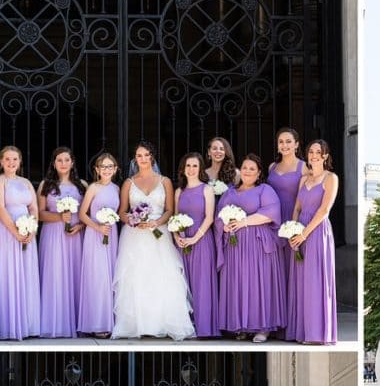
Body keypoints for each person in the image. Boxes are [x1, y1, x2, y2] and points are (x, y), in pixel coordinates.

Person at [113, 140, 194, 340]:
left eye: (146, 155)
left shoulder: (164, 181)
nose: (142, 159)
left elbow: (169, 209)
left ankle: (162, 322)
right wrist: (132, 220)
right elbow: (122, 211)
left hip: (159, 234)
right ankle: (136, 324)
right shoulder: (128, 183)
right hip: (134, 236)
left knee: (161, 276)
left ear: (152, 157)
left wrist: (156, 222)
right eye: (138, 156)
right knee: (136, 277)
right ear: (135, 159)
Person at [214, 153, 287, 342]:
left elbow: (270, 213)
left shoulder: (265, 190)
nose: (247, 171)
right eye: (245, 167)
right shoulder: (230, 192)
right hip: (234, 247)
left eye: (252, 169)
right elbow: (218, 216)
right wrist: (226, 225)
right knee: (238, 283)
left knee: (258, 284)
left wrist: (243, 221)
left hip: (257, 244)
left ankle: (263, 327)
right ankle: (243, 326)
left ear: (259, 173)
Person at [0, 145, 41, 339]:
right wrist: (16, 232)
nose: (11, 162)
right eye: (7, 159)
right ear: (1, 161)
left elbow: (33, 207)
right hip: (5, 231)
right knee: (7, 273)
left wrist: (32, 227)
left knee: (25, 274)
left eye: (14, 159)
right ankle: (7, 324)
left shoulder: (26, 182)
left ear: (20, 161)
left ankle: (26, 323)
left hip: (26, 231)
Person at [286, 140, 339, 344]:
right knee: (300, 281)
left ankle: (316, 333)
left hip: (317, 232)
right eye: (311, 152)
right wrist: (292, 230)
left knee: (315, 281)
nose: (314, 155)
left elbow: (324, 211)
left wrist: (304, 234)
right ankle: (301, 331)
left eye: (319, 152)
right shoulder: (304, 180)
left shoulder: (330, 178)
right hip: (300, 230)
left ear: (325, 156)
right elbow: (297, 208)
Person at [38, 147, 87, 338]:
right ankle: (54, 323)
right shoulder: (46, 185)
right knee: (54, 275)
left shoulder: (82, 185)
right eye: (59, 160)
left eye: (67, 160)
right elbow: (40, 214)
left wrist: (81, 225)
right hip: (53, 234)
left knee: (75, 275)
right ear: (54, 163)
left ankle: (76, 322)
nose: (63, 164)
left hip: (75, 235)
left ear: (72, 162)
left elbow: (88, 213)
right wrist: (59, 217)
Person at [174, 151, 219, 338]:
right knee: (184, 283)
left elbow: (209, 217)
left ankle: (204, 327)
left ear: (200, 168)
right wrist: (177, 235)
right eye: (188, 166)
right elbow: (175, 217)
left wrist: (195, 238)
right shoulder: (179, 191)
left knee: (202, 283)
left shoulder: (206, 189)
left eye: (194, 166)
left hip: (201, 240)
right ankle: (187, 325)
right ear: (183, 169)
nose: (191, 169)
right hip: (182, 241)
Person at [77, 152, 121, 337]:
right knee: (97, 278)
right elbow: (82, 214)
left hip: (111, 236)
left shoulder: (117, 189)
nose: (107, 170)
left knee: (110, 277)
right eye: (103, 166)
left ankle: (110, 322)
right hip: (95, 236)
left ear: (115, 169)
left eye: (110, 166)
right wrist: (97, 227)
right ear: (96, 169)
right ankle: (97, 323)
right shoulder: (93, 188)